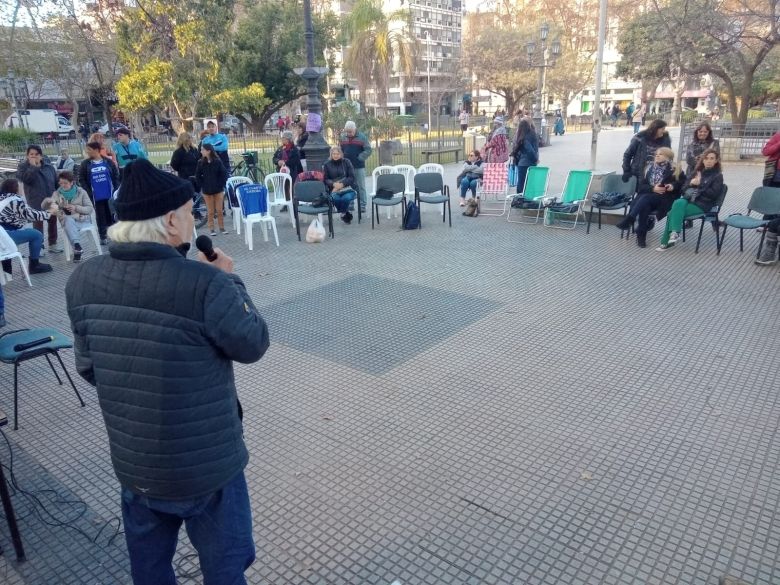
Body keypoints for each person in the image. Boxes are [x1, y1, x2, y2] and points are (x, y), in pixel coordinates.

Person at [65, 159, 269, 585]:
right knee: (225, 568)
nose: (194, 219)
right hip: (209, 467)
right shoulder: (206, 283)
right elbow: (252, 343)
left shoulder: (82, 280)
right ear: (171, 222)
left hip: (137, 465)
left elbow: (89, 368)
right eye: (189, 212)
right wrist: (231, 281)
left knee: (151, 570)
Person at [615, 147, 685, 248]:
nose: (657, 155)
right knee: (645, 205)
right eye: (656, 154)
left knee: (645, 199)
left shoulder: (675, 169)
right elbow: (641, 186)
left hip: (664, 198)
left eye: (661, 154)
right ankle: (641, 235)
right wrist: (653, 188)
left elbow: (682, 183)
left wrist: (672, 186)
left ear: (668, 157)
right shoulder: (649, 168)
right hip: (648, 197)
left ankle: (630, 219)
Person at [657, 148, 724, 251]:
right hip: (688, 200)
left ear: (716, 161)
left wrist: (700, 184)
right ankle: (674, 234)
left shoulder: (718, 176)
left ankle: (666, 241)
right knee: (678, 202)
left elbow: (713, 195)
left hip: (702, 204)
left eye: (712, 158)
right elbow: (683, 189)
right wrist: (691, 183)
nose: (709, 161)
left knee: (672, 213)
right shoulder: (696, 172)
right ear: (703, 160)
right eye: (706, 158)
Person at [0, 178, 54, 274]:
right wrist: (49, 213)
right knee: (36, 234)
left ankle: (7, 271)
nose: (22, 188)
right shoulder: (14, 201)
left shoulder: (3, 198)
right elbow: (31, 215)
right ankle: (34, 265)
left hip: (3, 238)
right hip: (5, 237)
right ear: (15, 188)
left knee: (7, 244)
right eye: (20, 186)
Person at [17, 144, 61, 253]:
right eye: (31, 154)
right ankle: (38, 246)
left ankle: (53, 244)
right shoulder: (23, 167)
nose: (34, 156)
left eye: (36, 154)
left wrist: (58, 195)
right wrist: (33, 167)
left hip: (50, 199)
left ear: (41, 155)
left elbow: (56, 182)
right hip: (35, 199)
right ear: (27, 156)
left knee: (52, 221)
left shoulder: (49, 167)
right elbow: (26, 180)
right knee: (38, 223)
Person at [43, 171, 95, 262]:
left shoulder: (81, 192)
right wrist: (52, 205)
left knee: (68, 223)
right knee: (68, 219)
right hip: (67, 220)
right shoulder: (57, 194)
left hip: (82, 219)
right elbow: (50, 208)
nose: (62, 185)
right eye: (61, 183)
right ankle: (77, 246)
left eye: (65, 183)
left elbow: (90, 209)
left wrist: (76, 207)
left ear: (72, 182)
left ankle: (77, 248)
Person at [79, 141, 120, 245]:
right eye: (87, 150)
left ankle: (115, 234)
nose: (87, 152)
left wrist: (116, 189)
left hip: (109, 194)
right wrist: (88, 191)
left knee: (112, 214)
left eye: (89, 150)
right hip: (96, 195)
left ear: (96, 150)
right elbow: (82, 179)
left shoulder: (108, 162)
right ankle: (103, 236)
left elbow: (115, 175)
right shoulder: (85, 164)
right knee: (100, 216)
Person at [622, 119, 671, 185]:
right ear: (655, 128)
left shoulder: (665, 139)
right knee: (641, 193)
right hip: (639, 172)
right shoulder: (639, 138)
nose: (663, 131)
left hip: (657, 174)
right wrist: (626, 170)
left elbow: (669, 156)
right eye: (662, 129)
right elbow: (628, 154)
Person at [195, 143, 229, 236]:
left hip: (218, 190)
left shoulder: (217, 161)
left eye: (203, 150)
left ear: (208, 151)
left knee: (219, 210)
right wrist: (202, 185)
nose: (201, 151)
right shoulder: (200, 162)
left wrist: (220, 184)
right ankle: (212, 229)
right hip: (207, 191)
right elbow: (197, 176)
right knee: (210, 211)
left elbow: (224, 174)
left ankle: (222, 228)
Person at [339, 121, 372, 214]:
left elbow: (368, 150)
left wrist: (360, 157)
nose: (349, 134)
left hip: (359, 166)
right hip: (346, 167)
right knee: (348, 186)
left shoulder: (362, 137)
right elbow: (340, 149)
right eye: (347, 132)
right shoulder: (343, 137)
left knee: (360, 186)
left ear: (355, 129)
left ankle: (362, 205)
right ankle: (350, 204)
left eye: (350, 132)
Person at [322, 146, 357, 224]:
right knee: (336, 199)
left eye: (338, 154)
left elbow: (352, 177)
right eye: (334, 154)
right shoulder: (327, 164)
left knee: (346, 199)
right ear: (331, 154)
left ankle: (343, 214)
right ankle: (345, 213)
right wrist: (333, 184)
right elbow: (326, 179)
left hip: (347, 188)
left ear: (341, 154)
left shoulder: (347, 162)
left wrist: (342, 184)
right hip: (334, 189)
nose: (336, 155)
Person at [510, 118, 539, 193]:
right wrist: (535, 159)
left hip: (523, 163)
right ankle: (529, 199)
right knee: (530, 183)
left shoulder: (523, 137)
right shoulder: (532, 134)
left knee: (521, 183)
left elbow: (529, 149)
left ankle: (520, 199)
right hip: (531, 162)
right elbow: (533, 149)